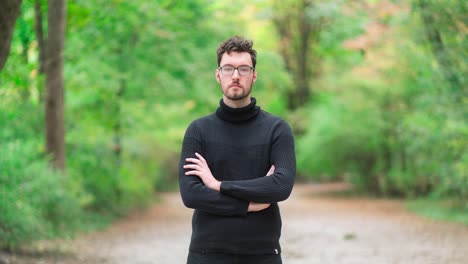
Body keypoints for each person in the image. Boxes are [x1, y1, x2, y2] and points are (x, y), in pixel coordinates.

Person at [179, 35, 296, 264]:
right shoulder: (198, 130)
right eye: (228, 68)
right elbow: (191, 194)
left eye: (243, 69)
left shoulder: (277, 129)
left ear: (254, 76)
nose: (235, 76)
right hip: (207, 254)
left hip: (262, 254)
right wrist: (250, 204)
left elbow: (280, 186)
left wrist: (217, 185)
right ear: (217, 75)